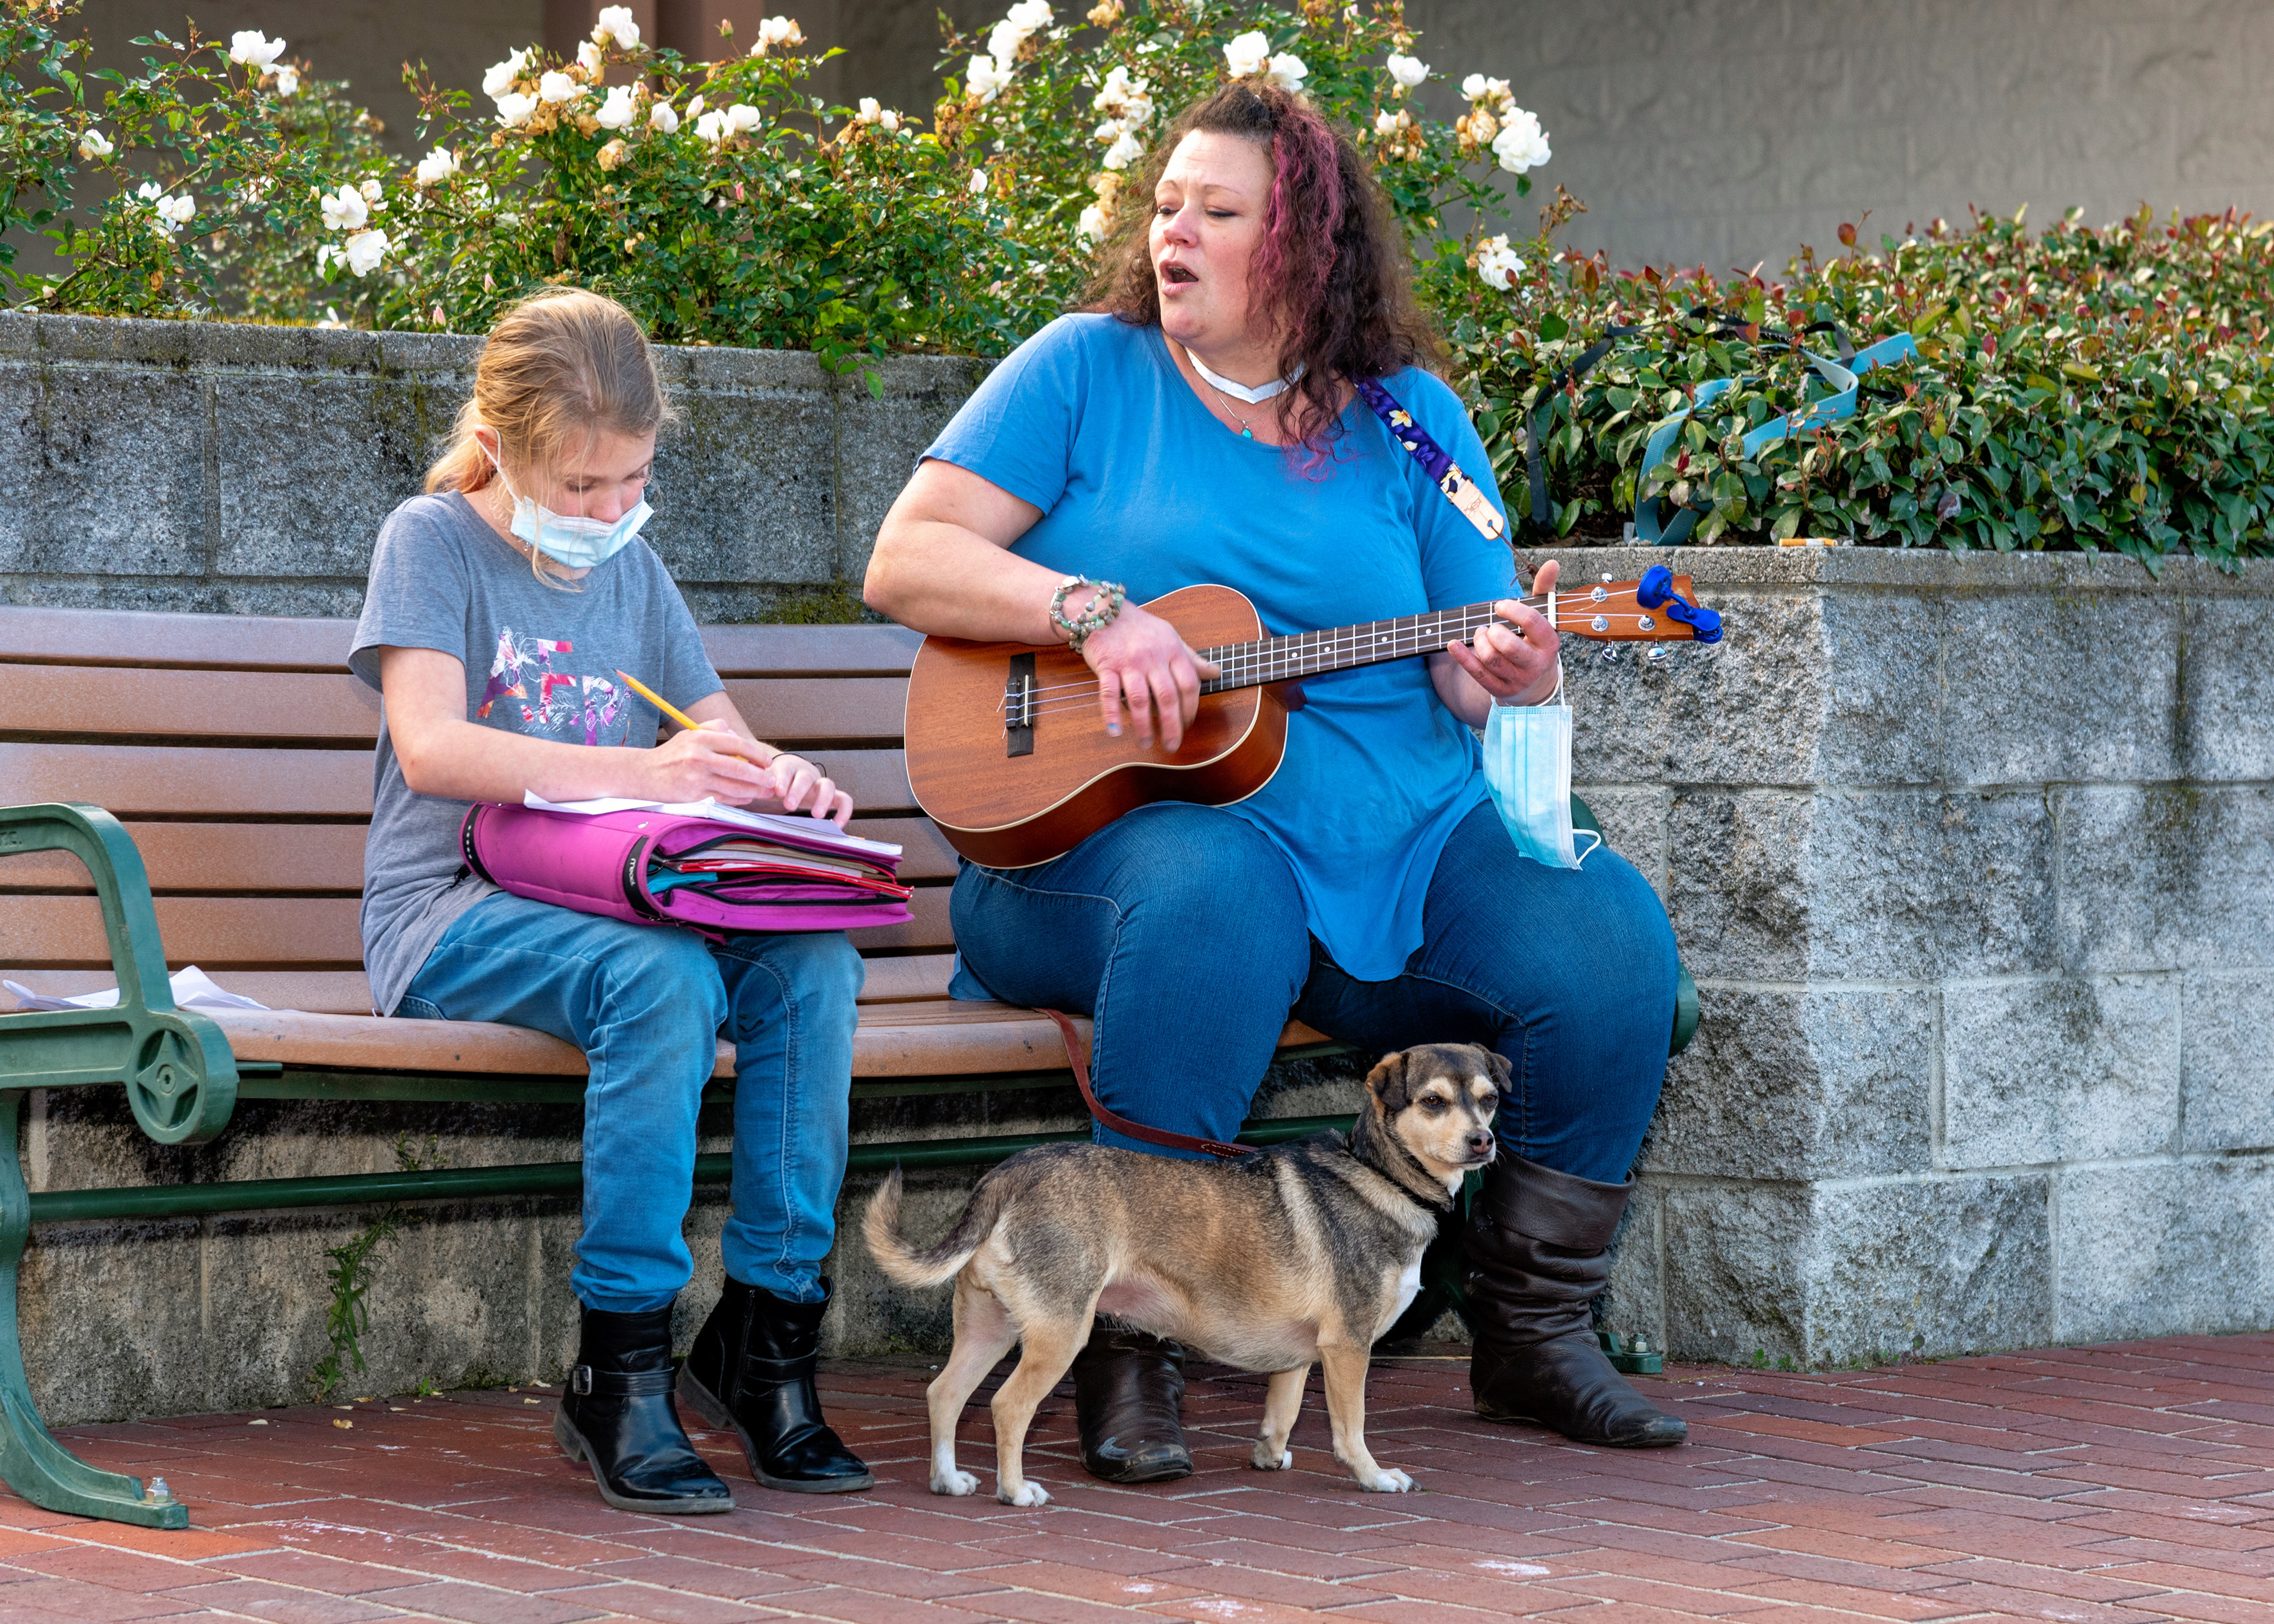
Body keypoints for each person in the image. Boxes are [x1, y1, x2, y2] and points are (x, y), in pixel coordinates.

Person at [864, 82, 1687, 1468]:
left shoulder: (1411, 420)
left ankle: (1536, 1336)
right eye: (1166, 204)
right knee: (1218, 888)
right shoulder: (1084, 369)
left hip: (1392, 837)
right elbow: (907, 559)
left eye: (1217, 210)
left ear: (1302, 243)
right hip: (1094, 845)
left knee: (1611, 944)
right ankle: (1137, 1347)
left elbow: (1467, 651)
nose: (1173, 230)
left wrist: (1516, 675)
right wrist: (1088, 612)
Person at [351, 288, 875, 1513]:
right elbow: (430, 748)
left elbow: (718, 736)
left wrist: (774, 776)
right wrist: (645, 769)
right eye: (581, 488)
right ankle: (621, 1365)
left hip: (626, 900)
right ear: (496, 448)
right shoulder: (430, 542)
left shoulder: (633, 566)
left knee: (815, 965)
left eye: (630, 480)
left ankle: (768, 1342)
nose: (609, 511)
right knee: (664, 978)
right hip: (450, 909)